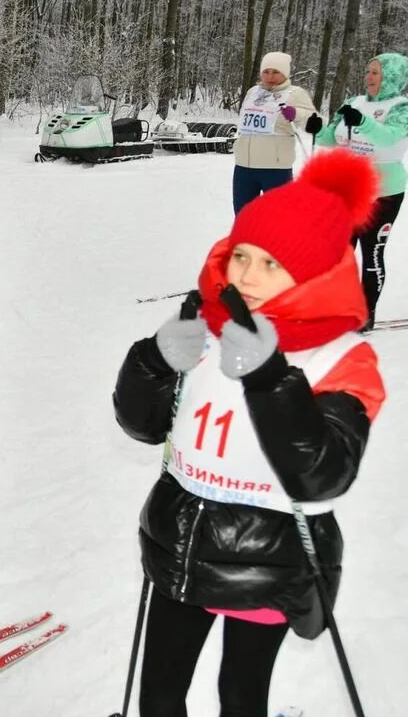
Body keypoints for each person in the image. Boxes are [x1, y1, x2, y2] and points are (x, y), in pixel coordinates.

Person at [112, 149, 385, 717]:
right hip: (181, 542)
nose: (248, 277)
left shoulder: (342, 358)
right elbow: (142, 425)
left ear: (312, 272)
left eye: (272, 264)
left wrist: (270, 380)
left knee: (240, 695)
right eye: (242, 256)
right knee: (158, 696)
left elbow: (322, 475)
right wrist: (154, 362)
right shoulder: (206, 321)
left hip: (270, 558)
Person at [316, 52, 408, 330]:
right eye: (368, 71)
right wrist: (314, 127)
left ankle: (366, 313)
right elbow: (332, 138)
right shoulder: (353, 102)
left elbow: (389, 136)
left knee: (372, 252)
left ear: (391, 77)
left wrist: (363, 122)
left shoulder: (401, 107)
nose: (368, 77)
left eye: (376, 73)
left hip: (383, 191)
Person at [232, 51, 320, 214]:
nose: (270, 76)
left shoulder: (295, 93)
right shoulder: (253, 92)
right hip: (244, 167)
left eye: (275, 72)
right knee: (243, 218)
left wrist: (296, 114)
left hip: (275, 169)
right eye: (266, 72)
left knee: (278, 219)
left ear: (285, 74)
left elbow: (315, 121)